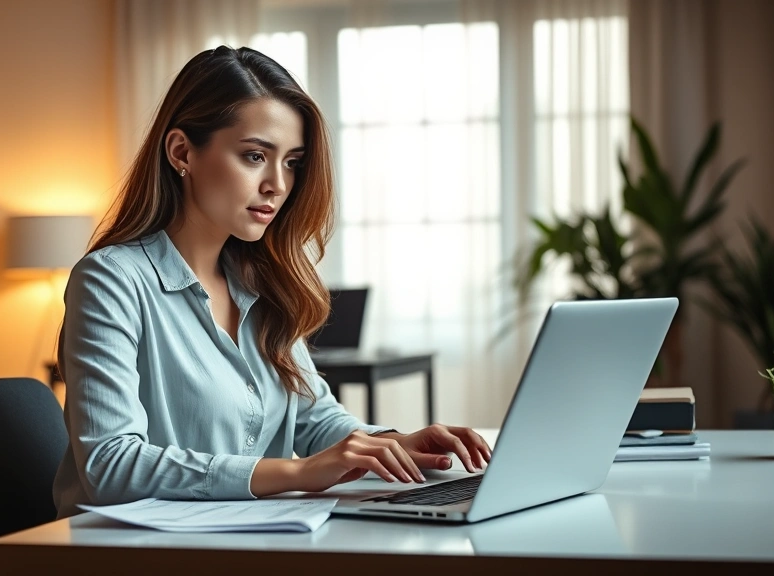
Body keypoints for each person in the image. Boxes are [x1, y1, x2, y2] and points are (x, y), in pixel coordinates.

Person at [52, 46, 492, 519]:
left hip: (246, 536)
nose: (277, 185)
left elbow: (312, 415)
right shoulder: (111, 281)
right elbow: (111, 466)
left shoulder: (259, 283)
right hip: (128, 550)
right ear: (182, 152)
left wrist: (391, 443)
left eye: (291, 162)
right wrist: (298, 473)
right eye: (255, 155)